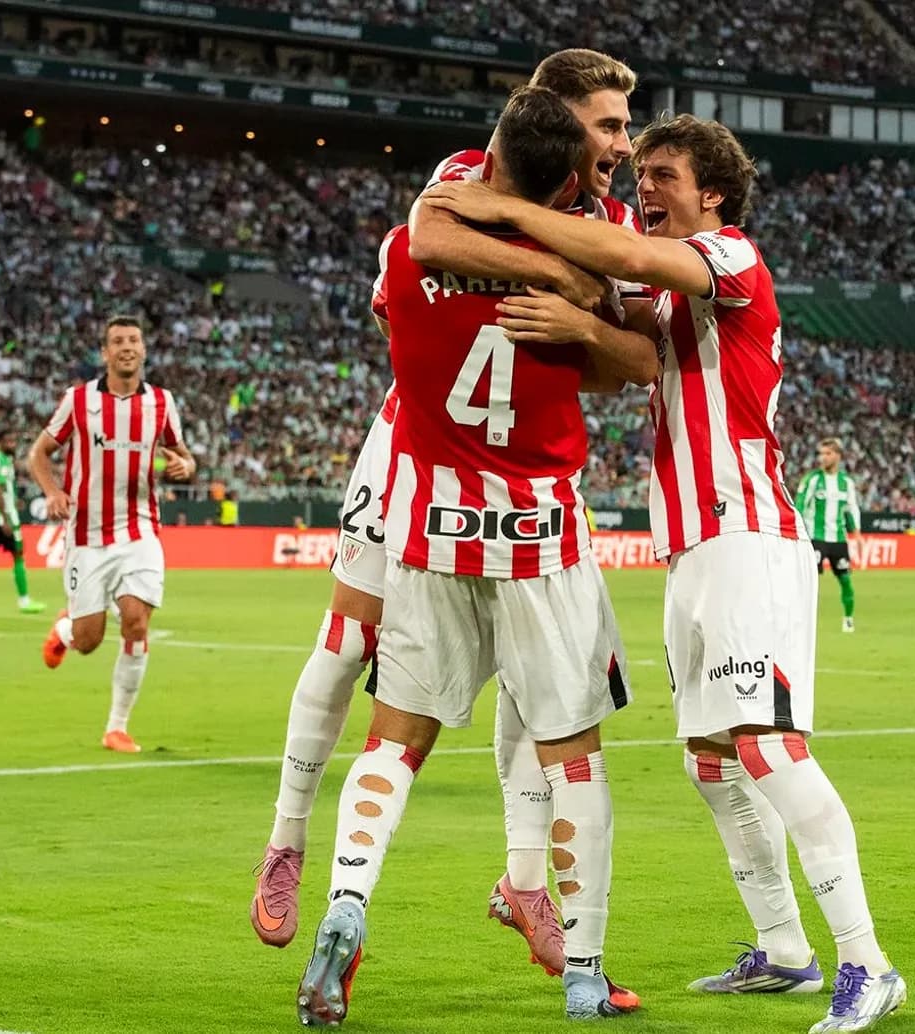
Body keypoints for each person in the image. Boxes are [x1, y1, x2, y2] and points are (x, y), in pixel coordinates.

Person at [424, 113, 905, 1033]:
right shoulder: (672, 294)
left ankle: (867, 962)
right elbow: (612, 310)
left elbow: (624, 265)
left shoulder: (730, 257)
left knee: (766, 748)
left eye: (665, 173)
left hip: (747, 534)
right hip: (689, 550)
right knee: (712, 764)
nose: (645, 185)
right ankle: (786, 951)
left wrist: (496, 209)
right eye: (638, 169)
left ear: (712, 192)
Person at [256, 47, 653, 1003]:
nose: (622, 145)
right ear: (552, 123)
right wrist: (567, 279)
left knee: (444, 718)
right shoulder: (463, 184)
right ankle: (287, 843)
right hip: (441, 469)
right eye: (605, 126)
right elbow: (432, 236)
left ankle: (515, 885)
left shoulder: (600, 216)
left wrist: (581, 316)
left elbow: (605, 342)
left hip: (444, 494)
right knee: (352, 640)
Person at [31, 316, 195, 752]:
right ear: (105, 353)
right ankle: (66, 631)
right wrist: (52, 491)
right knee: (88, 641)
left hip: (140, 531)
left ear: (143, 350)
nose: (127, 347)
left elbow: (183, 454)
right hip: (86, 535)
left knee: (137, 621)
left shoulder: (162, 402)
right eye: (118, 341)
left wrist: (185, 466)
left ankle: (116, 727)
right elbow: (39, 453)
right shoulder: (79, 400)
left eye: (134, 340)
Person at [0, 429, 44, 616]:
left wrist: (13, 500)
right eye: (9, 441)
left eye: (14, 440)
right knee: (18, 555)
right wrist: (5, 518)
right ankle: (24, 600)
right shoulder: (2, 460)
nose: (13, 444)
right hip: (2, 515)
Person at [797, 437, 862, 632]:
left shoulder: (846, 483)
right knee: (808, 581)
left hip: (839, 539)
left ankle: (848, 619)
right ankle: (801, 621)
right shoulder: (812, 479)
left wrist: (856, 533)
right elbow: (799, 505)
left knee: (845, 580)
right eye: (821, 453)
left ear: (838, 456)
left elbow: (852, 509)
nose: (822, 458)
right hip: (815, 538)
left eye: (827, 453)